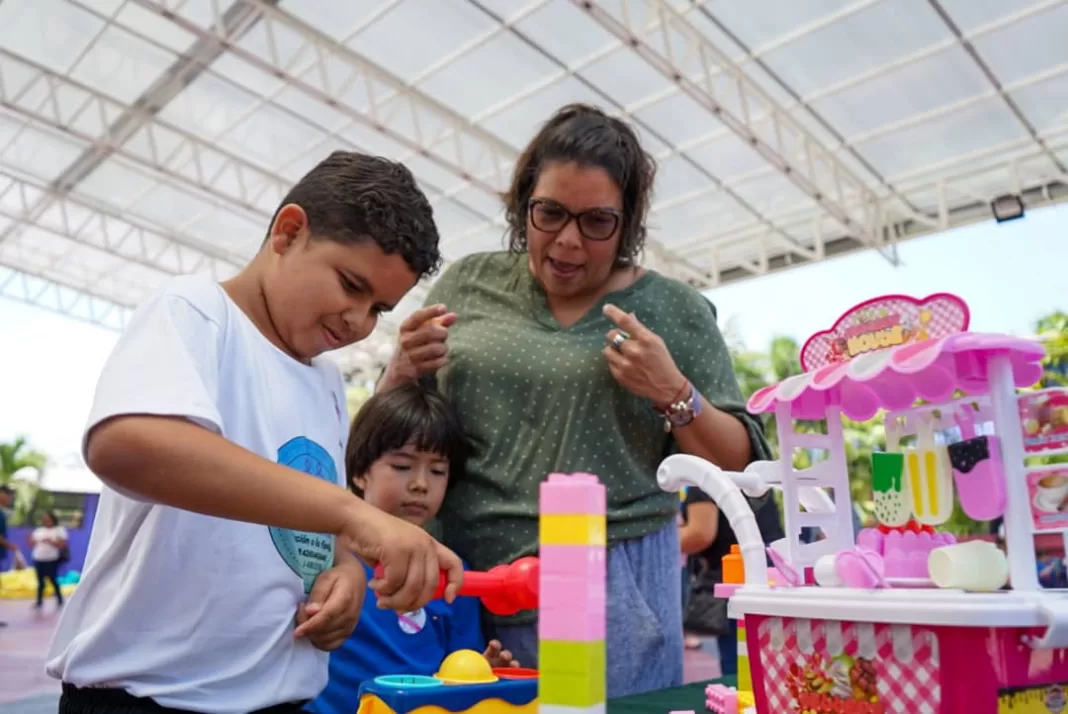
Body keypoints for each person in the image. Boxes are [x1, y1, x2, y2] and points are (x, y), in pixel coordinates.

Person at [45, 151, 465, 714]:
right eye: (350, 284)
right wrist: (354, 515)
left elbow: (319, 523)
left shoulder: (326, 384)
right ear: (289, 232)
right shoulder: (196, 313)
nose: (358, 321)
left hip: (278, 697)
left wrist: (344, 574)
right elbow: (127, 444)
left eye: (378, 308)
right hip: (148, 696)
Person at [376, 104, 770, 697]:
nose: (567, 240)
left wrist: (674, 393)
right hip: (458, 583)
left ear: (628, 222)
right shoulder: (467, 283)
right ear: (523, 203)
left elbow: (740, 467)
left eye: (597, 222)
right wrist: (397, 373)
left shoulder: (674, 311)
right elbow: (396, 427)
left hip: (608, 589)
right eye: (550, 213)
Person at [308, 384, 519, 714]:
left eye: (437, 471)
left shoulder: (455, 574)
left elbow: (458, 669)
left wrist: (480, 672)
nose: (420, 484)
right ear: (361, 472)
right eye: (402, 466)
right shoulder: (321, 556)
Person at [680, 487, 784, 675]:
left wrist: (663, 537)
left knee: (740, 660)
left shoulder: (706, 483)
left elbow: (700, 534)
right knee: (771, 655)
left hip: (737, 572)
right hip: (774, 565)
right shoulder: (749, 471)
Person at [29, 510, 68, 610]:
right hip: (38, 558)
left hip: (51, 559)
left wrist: (50, 541)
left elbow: (62, 544)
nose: (46, 520)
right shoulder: (39, 531)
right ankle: (39, 601)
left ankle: (59, 599)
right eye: (44, 519)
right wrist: (31, 540)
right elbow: (31, 544)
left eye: (48, 519)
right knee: (40, 581)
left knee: (52, 579)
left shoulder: (59, 530)